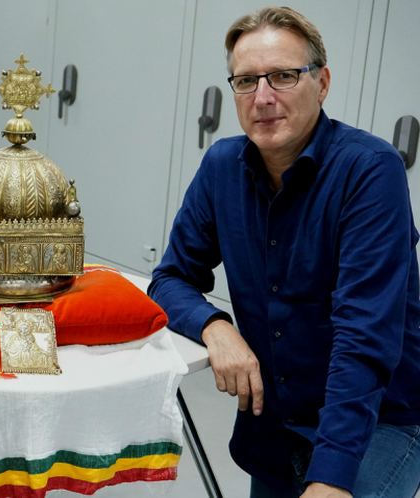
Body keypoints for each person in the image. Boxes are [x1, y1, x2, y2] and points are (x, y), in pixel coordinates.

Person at [149, 7, 420, 498]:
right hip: (278, 420)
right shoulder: (222, 166)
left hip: (378, 416)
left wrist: (331, 476)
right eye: (246, 81)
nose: (263, 97)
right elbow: (169, 279)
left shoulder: (370, 170)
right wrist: (215, 326)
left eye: (283, 76)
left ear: (322, 83)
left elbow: (363, 336)